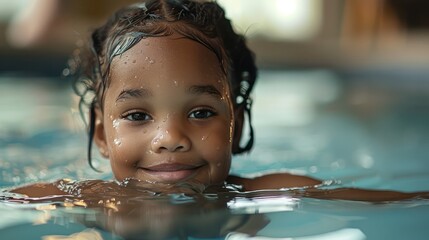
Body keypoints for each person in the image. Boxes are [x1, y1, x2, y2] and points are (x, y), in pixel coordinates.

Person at [8, 0, 429, 203]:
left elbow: (390, 200)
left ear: (237, 124)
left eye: (201, 112)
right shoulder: (85, 198)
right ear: (102, 134)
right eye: (137, 115)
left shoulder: (258, 192)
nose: (170, 138)